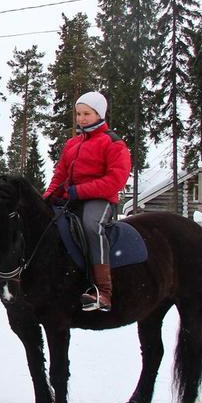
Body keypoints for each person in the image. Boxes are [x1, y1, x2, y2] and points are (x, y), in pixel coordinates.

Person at [43, 91, 131, 312]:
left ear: (99, 114)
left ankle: (103, 290)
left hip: (99, 200)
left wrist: (78, 192)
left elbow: (115, 180)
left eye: (86, 114)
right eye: (78, 114)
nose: (81, 119)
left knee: (92, 227)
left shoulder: (113, 143)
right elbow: (59, 174)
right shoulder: (72, 144)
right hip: (71, 197)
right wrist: (46, 198)